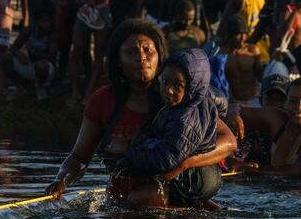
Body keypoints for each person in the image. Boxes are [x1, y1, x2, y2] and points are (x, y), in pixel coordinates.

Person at [45, 20, 237, 204]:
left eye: (148, 50)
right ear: (118, 61)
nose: (142, 57)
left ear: (160, 56)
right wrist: (62, 180)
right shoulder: (102, 101)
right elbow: (79, 157)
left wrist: (183, 164)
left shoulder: (179, 97)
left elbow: (228, 142)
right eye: (131, 52)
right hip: (129, 194)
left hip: (176, 188)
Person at [116, 48, 223, 208]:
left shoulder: (185, 120)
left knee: (134, 201)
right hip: (200, 173)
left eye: (178, 85)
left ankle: (183, 208)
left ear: (193, 87)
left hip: (195, 178)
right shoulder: (194, 99)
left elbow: (164, 161)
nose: (169, 91)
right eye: (165, 82)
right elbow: (221, 99)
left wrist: (127, 151)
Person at [231, 77, 301, 176]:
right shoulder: (278, 120)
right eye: (292, 101)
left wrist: (258, 170)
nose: (299, 107)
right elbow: (234, 108)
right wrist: (234, 115)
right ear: (286, 103)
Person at [219, 16, 263, 105]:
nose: (243, 38)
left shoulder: (252, 50)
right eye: (238, 34)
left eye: (244, 34)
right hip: (232, 102)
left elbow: (261, 75)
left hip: (253, 100)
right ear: (229, 35)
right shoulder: (221, 54)